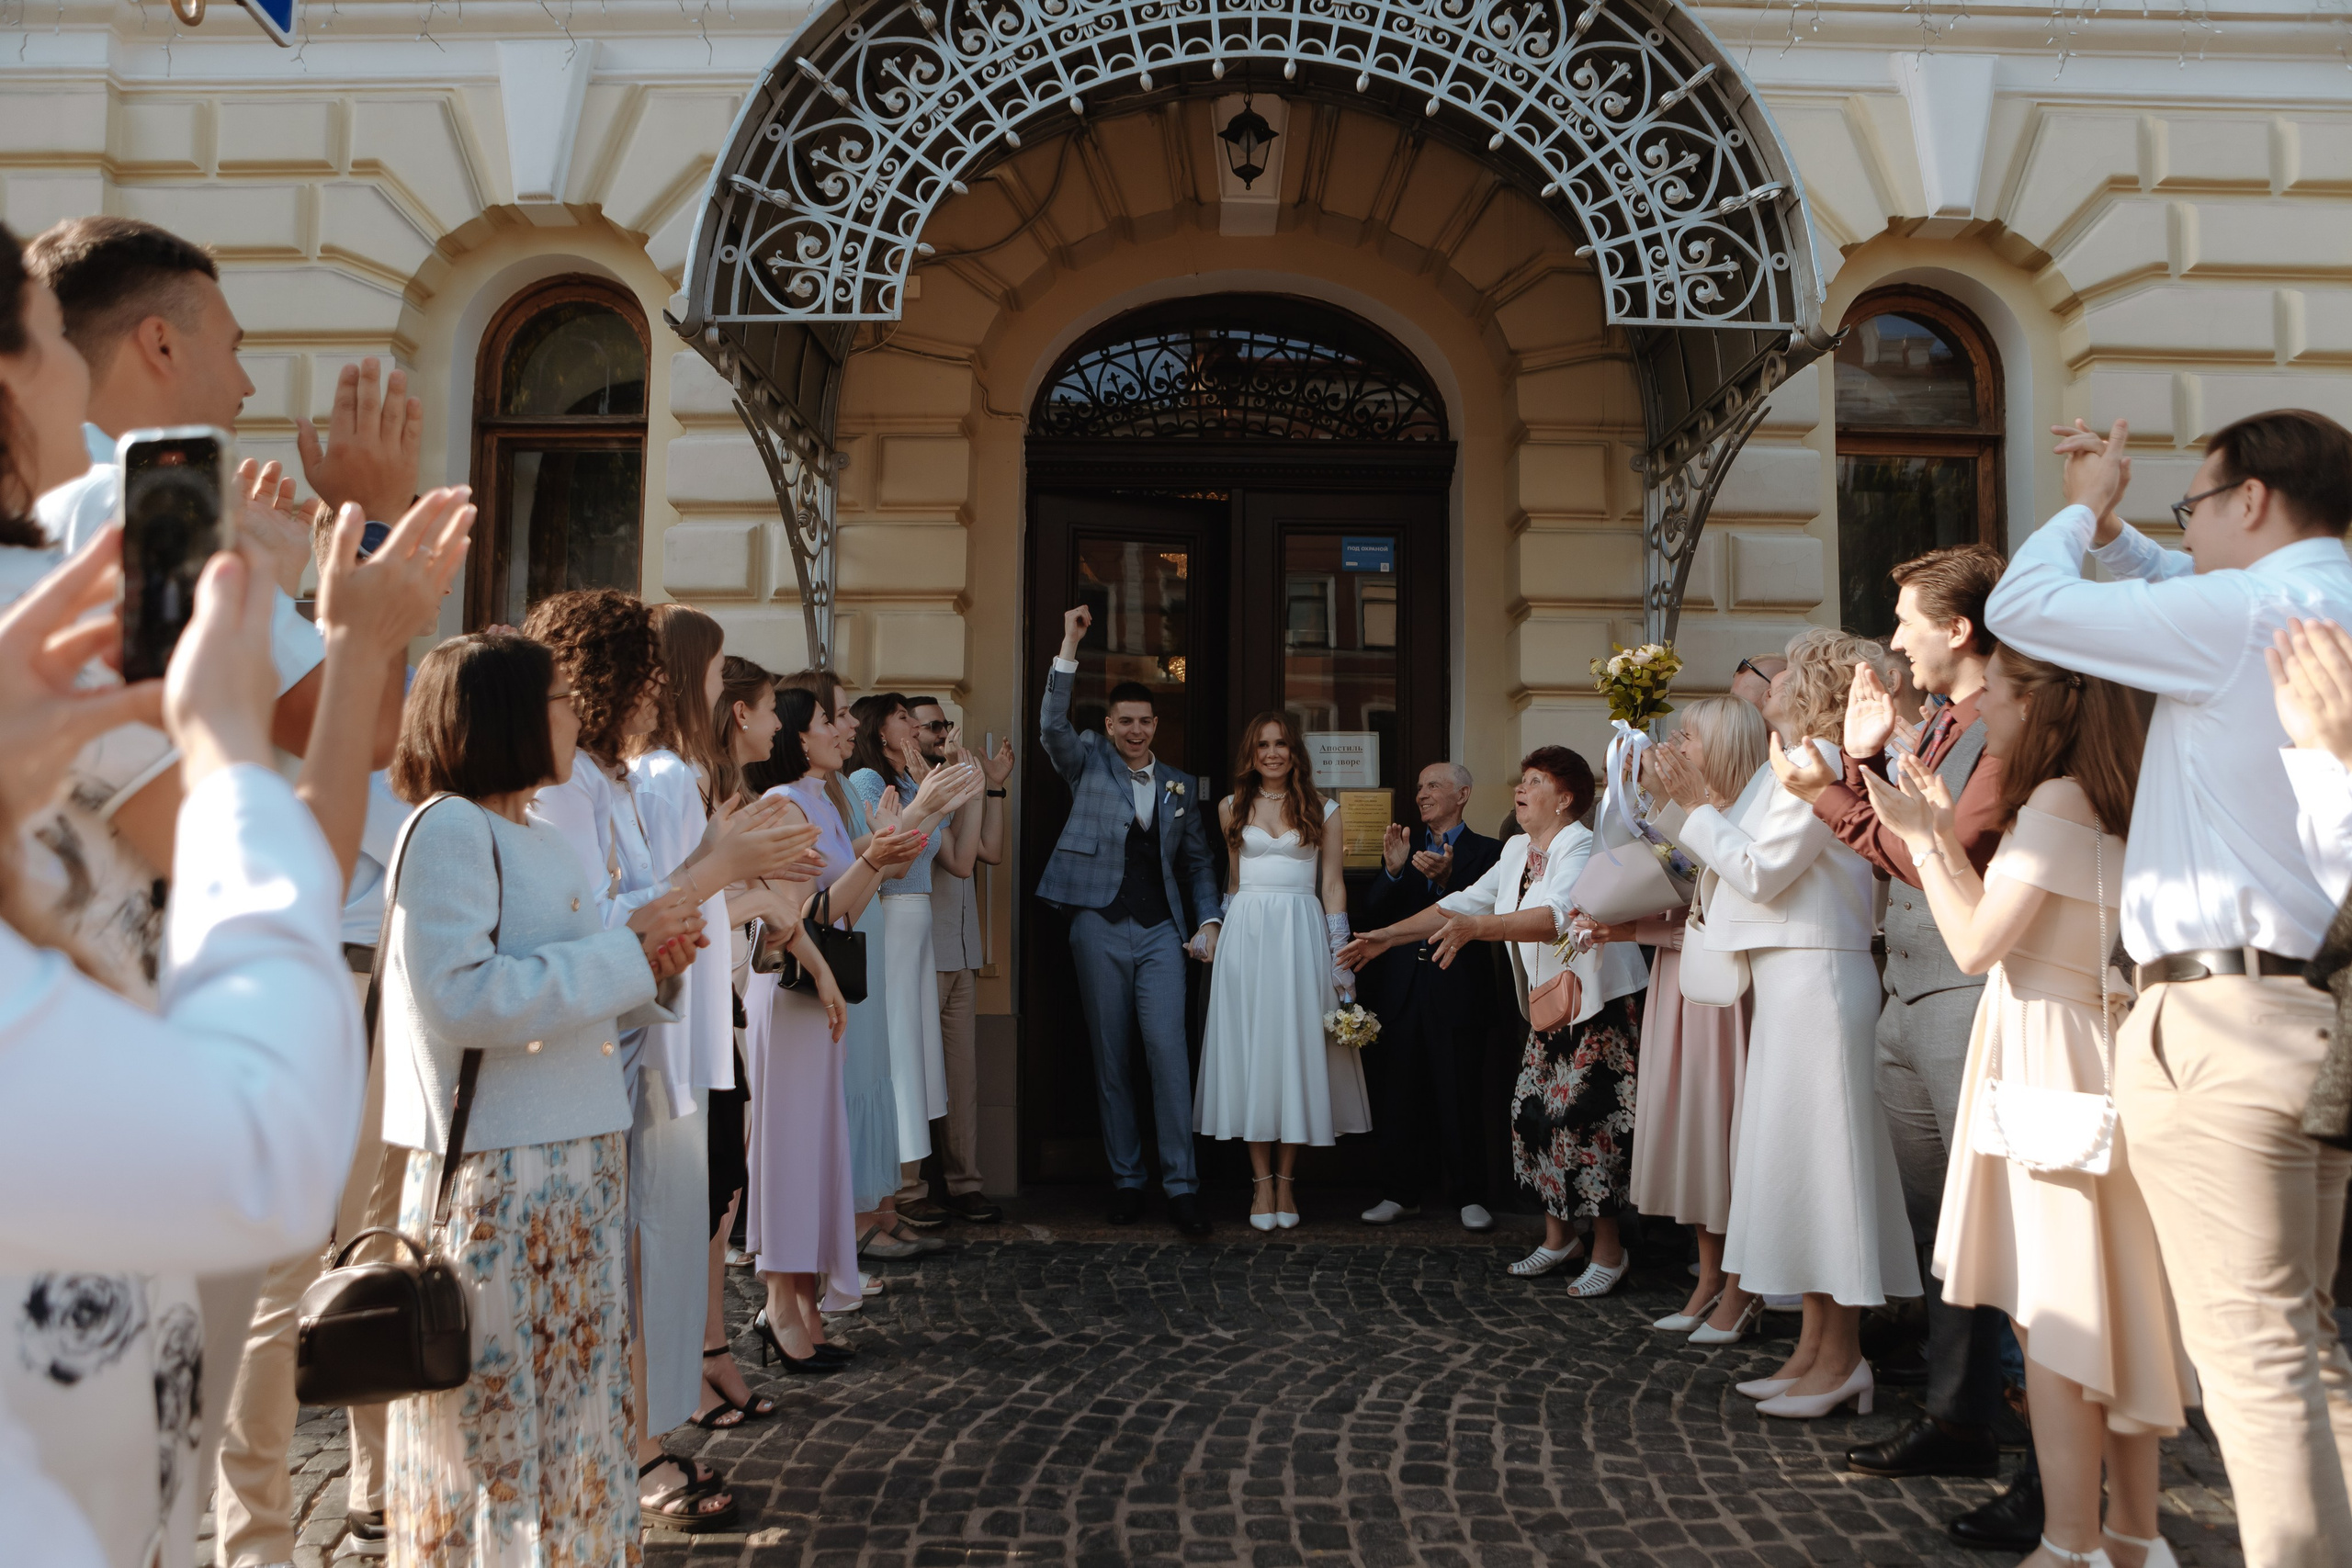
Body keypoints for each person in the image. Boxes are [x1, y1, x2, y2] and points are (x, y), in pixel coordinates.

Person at [0, 343, 452, 1568]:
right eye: (48, 341)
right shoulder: (101, 516)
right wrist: (309, 669)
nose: (247, 380)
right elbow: (262, 1151)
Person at [1986, 410, 2352, 1565]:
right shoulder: (2308, 602)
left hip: (2219, 1020)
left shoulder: (2245, 612)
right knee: (2301, 1350)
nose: (2179, 528)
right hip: (2301, 1007)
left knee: (2251, 1361)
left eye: (2193, 505)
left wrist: (2080, 509)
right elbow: (2164, 583)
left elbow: (2023, 609)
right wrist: (2128, 531)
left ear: (2251, 500)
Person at [376, 629, 705, 1560]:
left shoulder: (529, 836)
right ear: (509, 714)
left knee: (573, 1411)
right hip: (503, 1179)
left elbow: (580, 976)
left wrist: (653, 963)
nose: (574, 715)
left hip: (571, 1170)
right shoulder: (448, 828)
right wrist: (625, 951)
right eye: (559, 699)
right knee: (502, 1422)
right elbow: (460, 998)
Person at [1867, 648, 2195, 1568]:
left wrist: (1926, 840)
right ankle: (2133, 1536)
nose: (1984, 712)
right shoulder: (2118, 794)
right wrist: (1933, 831)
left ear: (2038, 706)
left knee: (2054, 1317)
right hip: (2087, 1042)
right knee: (2116, 1309)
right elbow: (2006, 926)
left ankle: (2069, 1542)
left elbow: (1972, 945)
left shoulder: (2056, 801)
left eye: (2001, 695)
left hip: (2048, 1055)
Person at [520, 589, 806, 1530]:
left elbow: (643, 907)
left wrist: (714, 879)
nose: (663, 690)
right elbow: (579, 927)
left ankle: (627, 1440)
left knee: (635, 1257)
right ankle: (616, 1451)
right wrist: (719, 870)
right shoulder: (568, 786)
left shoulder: (604, 781)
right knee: (614, 1262)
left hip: (638, 1038)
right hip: (601, 1054)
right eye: (653, 670)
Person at [1771, 546, 2022, 1505]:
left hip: (1966, 990)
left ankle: (2008, 1412)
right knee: (1940, 1225)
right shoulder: (1947, 723)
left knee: (1984, 1221)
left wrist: (1829, 791)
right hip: (1908, 987)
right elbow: (1904, 843)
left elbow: (1940, 854)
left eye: (1907, 618)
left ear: (1958, 630)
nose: (1893, 637)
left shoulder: (2002, 722)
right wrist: (1871, 764)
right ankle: (1960, 1412)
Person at [1646, 629, 1920, 1418]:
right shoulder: (1787, 764)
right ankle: (1811, 1352)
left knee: (1829, 1173)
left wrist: (1698, 808)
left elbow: (1762, 871)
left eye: (1785, 668)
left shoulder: (1825, 765)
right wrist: (1686, 806)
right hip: (1789, 980)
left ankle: (1842, 1361)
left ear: (1812, 685)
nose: (1767, 677)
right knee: (1797, 1170)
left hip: (1821, 983)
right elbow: (1740, 859)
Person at [1340, 748, 1647, 1295]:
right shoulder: (1516, 849)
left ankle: (1609, 1249)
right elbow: (1464, 901)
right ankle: (1559, 1239)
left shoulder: (1580, 843)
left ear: (1566, 797)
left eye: (1535, 780)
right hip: (1546, 1009)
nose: (1520, 788)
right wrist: (1390, 936)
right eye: (1521, 778)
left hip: (1593, 1009)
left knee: (1590, 1126)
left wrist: (1477, 931)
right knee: (1535, 1119)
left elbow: (1555, 916)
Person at [741, 682, 918, 1368]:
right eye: (830, 718)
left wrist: (882, 853)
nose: (843, 727)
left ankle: (806, 1300)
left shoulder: (826, 799)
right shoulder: (782, 803)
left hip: (826, 995)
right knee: (791, 1147)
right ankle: (780, 1306)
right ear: (797, 735)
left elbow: (848, 904)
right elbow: (802, 917)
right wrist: (875, 857)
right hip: (790, 1000)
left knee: (817, 1146)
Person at [1037, 604, 1222, 1236]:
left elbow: (1199, 864)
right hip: (1097, 924)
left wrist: (1210, 920)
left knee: (1169, 1054)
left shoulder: (1179, 785)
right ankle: (1126, 1179)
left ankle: (1182, 1185)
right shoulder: (1087, 760)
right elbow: (1051, 725)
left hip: (1163, 933)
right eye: (1126, 722)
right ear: (1110, 725)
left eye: (1146, 721)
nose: (1137, 731)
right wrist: (1069, 646)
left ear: (1156, 724)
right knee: (1112, 1057)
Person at [1590, 697, 1763, 1339]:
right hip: (1677, 983)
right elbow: (1674, 906)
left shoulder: (1746, 815)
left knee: (1724, 1134)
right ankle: (1709, 1277)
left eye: (1688, 736)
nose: (1676, 745)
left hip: (1725, 994)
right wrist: (1616, 924)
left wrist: (1637, 927)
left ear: (1720, 746)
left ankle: (1742, 1286)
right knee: (1691, 1130)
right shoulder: (1672, 814)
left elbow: (1731, 911)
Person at [1193, 711, 1373, 1227]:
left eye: (1281, 744)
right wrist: (1215, 933)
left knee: (1296, 1049)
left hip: (1301, 934)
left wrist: (1341, 957)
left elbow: (1333, 886)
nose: (1272, 753)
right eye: (1263, 745)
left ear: (1295, 751)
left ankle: (1288, 1184)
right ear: (1251, 753)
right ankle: (1259, 1186)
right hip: (1246, 936)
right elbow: (1232, 883)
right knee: (1252, 1050)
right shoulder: (1231, 807)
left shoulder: (1324, 808)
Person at [847, 694, 983, 1231]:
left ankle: (900, 1190)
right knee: (897, 1050)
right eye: (903, 716)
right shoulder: (864, 782)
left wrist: (966, 792)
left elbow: (961, 860)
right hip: (891, 919)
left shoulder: (909, 785)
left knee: (916, 1053)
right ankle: (892, 1192)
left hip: (921, 924)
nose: (915, 726)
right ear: (879, 731)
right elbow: (886, 855)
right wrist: (933, 801)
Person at [1356, 762, 1503, 1232]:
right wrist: (1396, 873)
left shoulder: (1489, 852)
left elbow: (1484, 912)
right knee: (1400, 1095)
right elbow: (1374, 910)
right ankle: (1400, 1193)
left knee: (1459, 1093)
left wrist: (1445, 881)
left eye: (1434, 786)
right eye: (1419, 786)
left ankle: (1469, 1195)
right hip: (1403, 991)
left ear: (1463, 794)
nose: (1422, 794)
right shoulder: (1405, 847)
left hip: (1457, 990)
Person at [910, 695, 1014, 1222]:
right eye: (932, 726)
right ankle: (908, 1191)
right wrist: (963, 783)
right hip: (923, 951)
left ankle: (964, 1183)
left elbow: (989, 852)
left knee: (962, 1075)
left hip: (963, 947)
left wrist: (992, 787)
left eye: (946, 725)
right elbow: (956, 861)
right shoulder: (914, 789)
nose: (942, 734)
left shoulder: (957, 778)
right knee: (917, 1072)